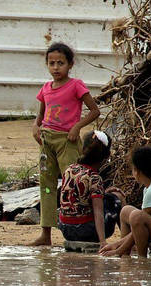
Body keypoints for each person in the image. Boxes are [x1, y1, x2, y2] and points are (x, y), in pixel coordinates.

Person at [30, 42, 100, 247]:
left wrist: (77, 127)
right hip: (46, 142)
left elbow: (95, 111)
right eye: (51, 63)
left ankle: (76, 232)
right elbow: (41, 114)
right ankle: (46, 235)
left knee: (73, 186)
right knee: (47, 187)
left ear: (70, 64)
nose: (56, 67)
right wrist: (36, 126)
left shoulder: (76, 85)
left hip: (67, 141)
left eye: (60, 63)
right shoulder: (45, 88)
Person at [57, 131, 124, 248]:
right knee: (117, 197)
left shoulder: (69, 170)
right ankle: (126, 240)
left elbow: (78, 197)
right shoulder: (94, 177)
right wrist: (102, 242)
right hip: (86, 231)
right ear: (106, 156)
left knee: (109, 197)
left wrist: (103, 193)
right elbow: (98, 211)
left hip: (66, 229)